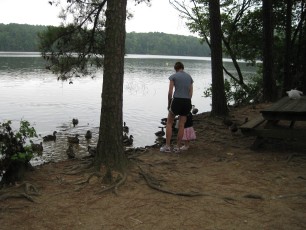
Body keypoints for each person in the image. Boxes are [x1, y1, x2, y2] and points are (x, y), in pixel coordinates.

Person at [160, 61, 193, 152]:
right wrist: (187, 100)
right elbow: (190, 93)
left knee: (169, 123)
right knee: (182, 125)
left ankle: (167, 146)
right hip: (187, 101)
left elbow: (170, 92)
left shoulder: (173, 76)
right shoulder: (189, 77)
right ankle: (178, 147)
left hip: (177, 100)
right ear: (183, 68)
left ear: (175, 69)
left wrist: (169, 103)